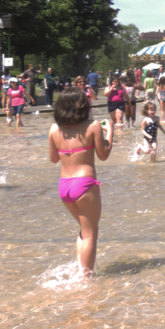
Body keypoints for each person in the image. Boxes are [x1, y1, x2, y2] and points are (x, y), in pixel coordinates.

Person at [47, 88, 113, 277]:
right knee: (91, 232)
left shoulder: (54, 129)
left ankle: (79, 268)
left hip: (64, 186)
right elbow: (103, 155)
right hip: (84, 184)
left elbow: (53, 159)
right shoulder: (93, 126)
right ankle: (86, 279)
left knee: (84, 230)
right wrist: (111, 133)